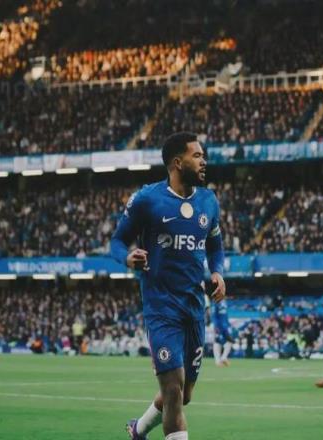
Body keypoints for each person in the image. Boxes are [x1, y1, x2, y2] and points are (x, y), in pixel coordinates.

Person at [110, 131, 226, 440]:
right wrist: (127, 257)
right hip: (161, 308)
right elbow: (117, 241)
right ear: (177, 162)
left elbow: (215, 247)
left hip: (194, 308)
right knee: (173, 390)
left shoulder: (208, 201)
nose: (204, 161)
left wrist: (218, 273)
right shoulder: (147, 199)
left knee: (183, 395)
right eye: (197, 156)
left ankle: (138, 429)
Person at [211, 298, 234, 366]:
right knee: (218, 341)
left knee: (228, 340)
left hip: (225, 326)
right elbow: (214, 315)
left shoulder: (224, 302)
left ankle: (222, 358)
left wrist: (228, 324)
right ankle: (220, 359)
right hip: (219, 326)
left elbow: (225, 315)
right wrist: (216, 326)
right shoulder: (215, 303)